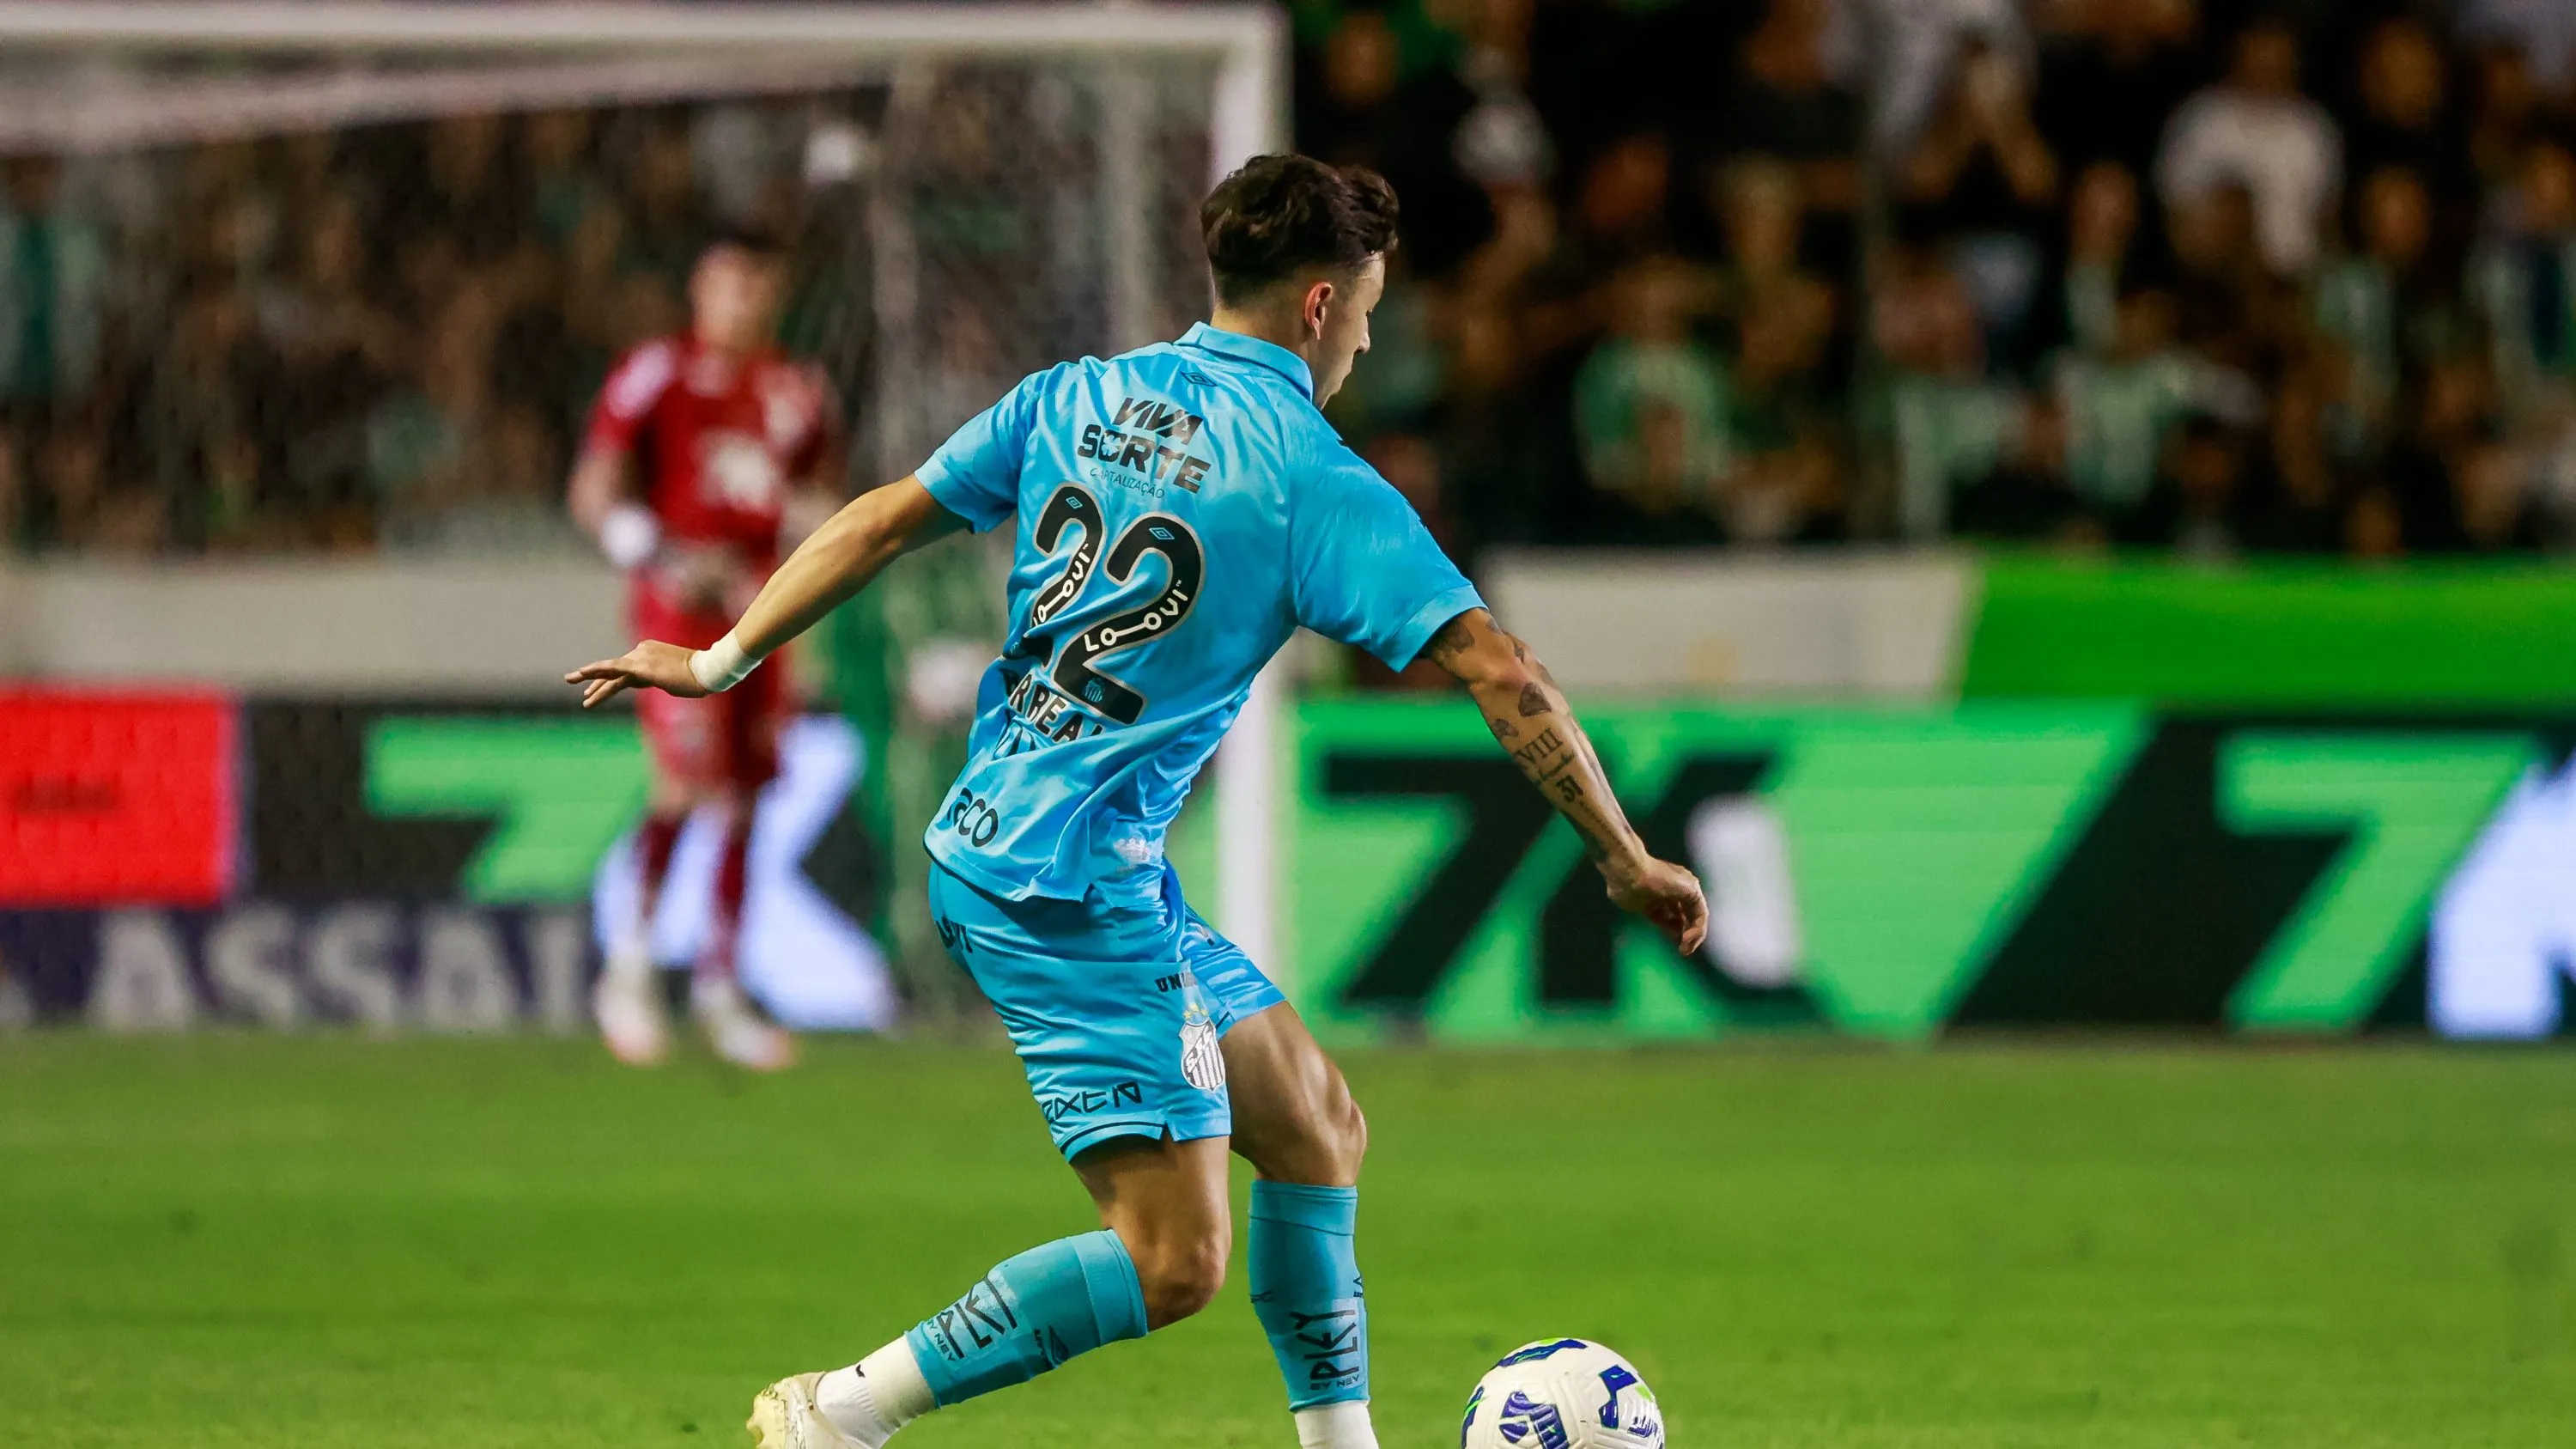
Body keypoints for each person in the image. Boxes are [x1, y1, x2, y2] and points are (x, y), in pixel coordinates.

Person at [565, 154, 1708, 1449]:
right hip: (1065, 891)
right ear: (1322, 307)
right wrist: (1621, 853)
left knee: (1319, 1125)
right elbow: (1505, 674)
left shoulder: (1076, 395)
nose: (1371, 338)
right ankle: (841, 1413)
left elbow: (882, 518)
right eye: (1373, 309)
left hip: (1051, 853)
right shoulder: (1311, 476)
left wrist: (721, 656)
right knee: (1176, 1261)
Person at [566, 227, 841, 1072]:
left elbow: (824, 498)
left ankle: (721, 987)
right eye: (728, 283)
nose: (741, 300)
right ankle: (630, 970)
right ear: (698, 289)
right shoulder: (660, 372)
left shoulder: (798, 389)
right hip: (678, 609)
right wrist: (653, 550)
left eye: (757, 285)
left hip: (764, 611)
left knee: (747, 800)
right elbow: (593, 487)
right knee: (683, 786)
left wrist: (806, 524)